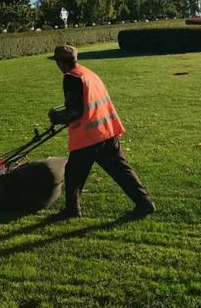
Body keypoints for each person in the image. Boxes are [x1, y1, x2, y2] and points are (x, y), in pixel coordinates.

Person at [47, 44, 155, 219]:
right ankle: (144, 202)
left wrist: (56, 117)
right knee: (121, 170)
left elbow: (75, 111)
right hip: (107, 130)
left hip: (88, 136)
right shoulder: (87, 73)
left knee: (73, 173)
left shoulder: (72, 77)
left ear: (61, 62)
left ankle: (72, 209)